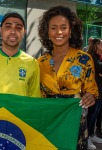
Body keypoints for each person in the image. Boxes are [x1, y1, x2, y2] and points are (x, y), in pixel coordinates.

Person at [37, 6, 98, 150]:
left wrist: (90, 96)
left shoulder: (84, 59)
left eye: (63, 27)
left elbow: (91, 91)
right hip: (48, 122)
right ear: (47, 31)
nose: (58, 32)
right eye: (53, 28)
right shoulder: (40, 62)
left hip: (74, 122)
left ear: (70, 30)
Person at [87, 38, 102, 149]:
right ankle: (86, 137)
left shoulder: (99, 56)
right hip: (93, 91)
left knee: (95, 115)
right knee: (91, 115)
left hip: (100, 91)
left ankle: (92, 134)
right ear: (96, 45)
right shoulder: (92, 56)